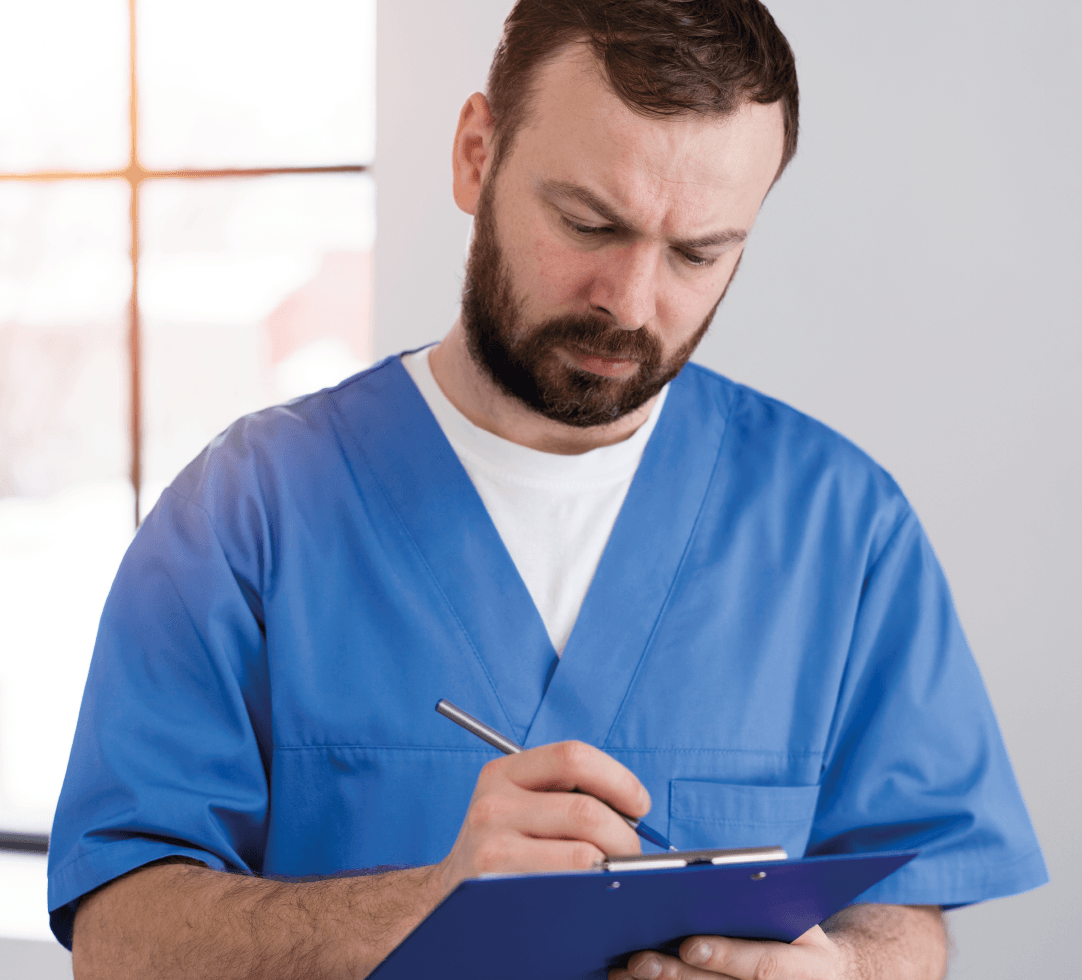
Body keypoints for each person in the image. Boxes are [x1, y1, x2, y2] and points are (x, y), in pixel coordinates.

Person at [49, 1, 1047, 978]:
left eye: (697, 252)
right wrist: (425, 898)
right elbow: (122, 940)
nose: (630, 301)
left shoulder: (842, 527)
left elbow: (904, 915)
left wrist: (844, 970)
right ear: (475, 155)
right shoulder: (243, 517)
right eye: (585, 221)